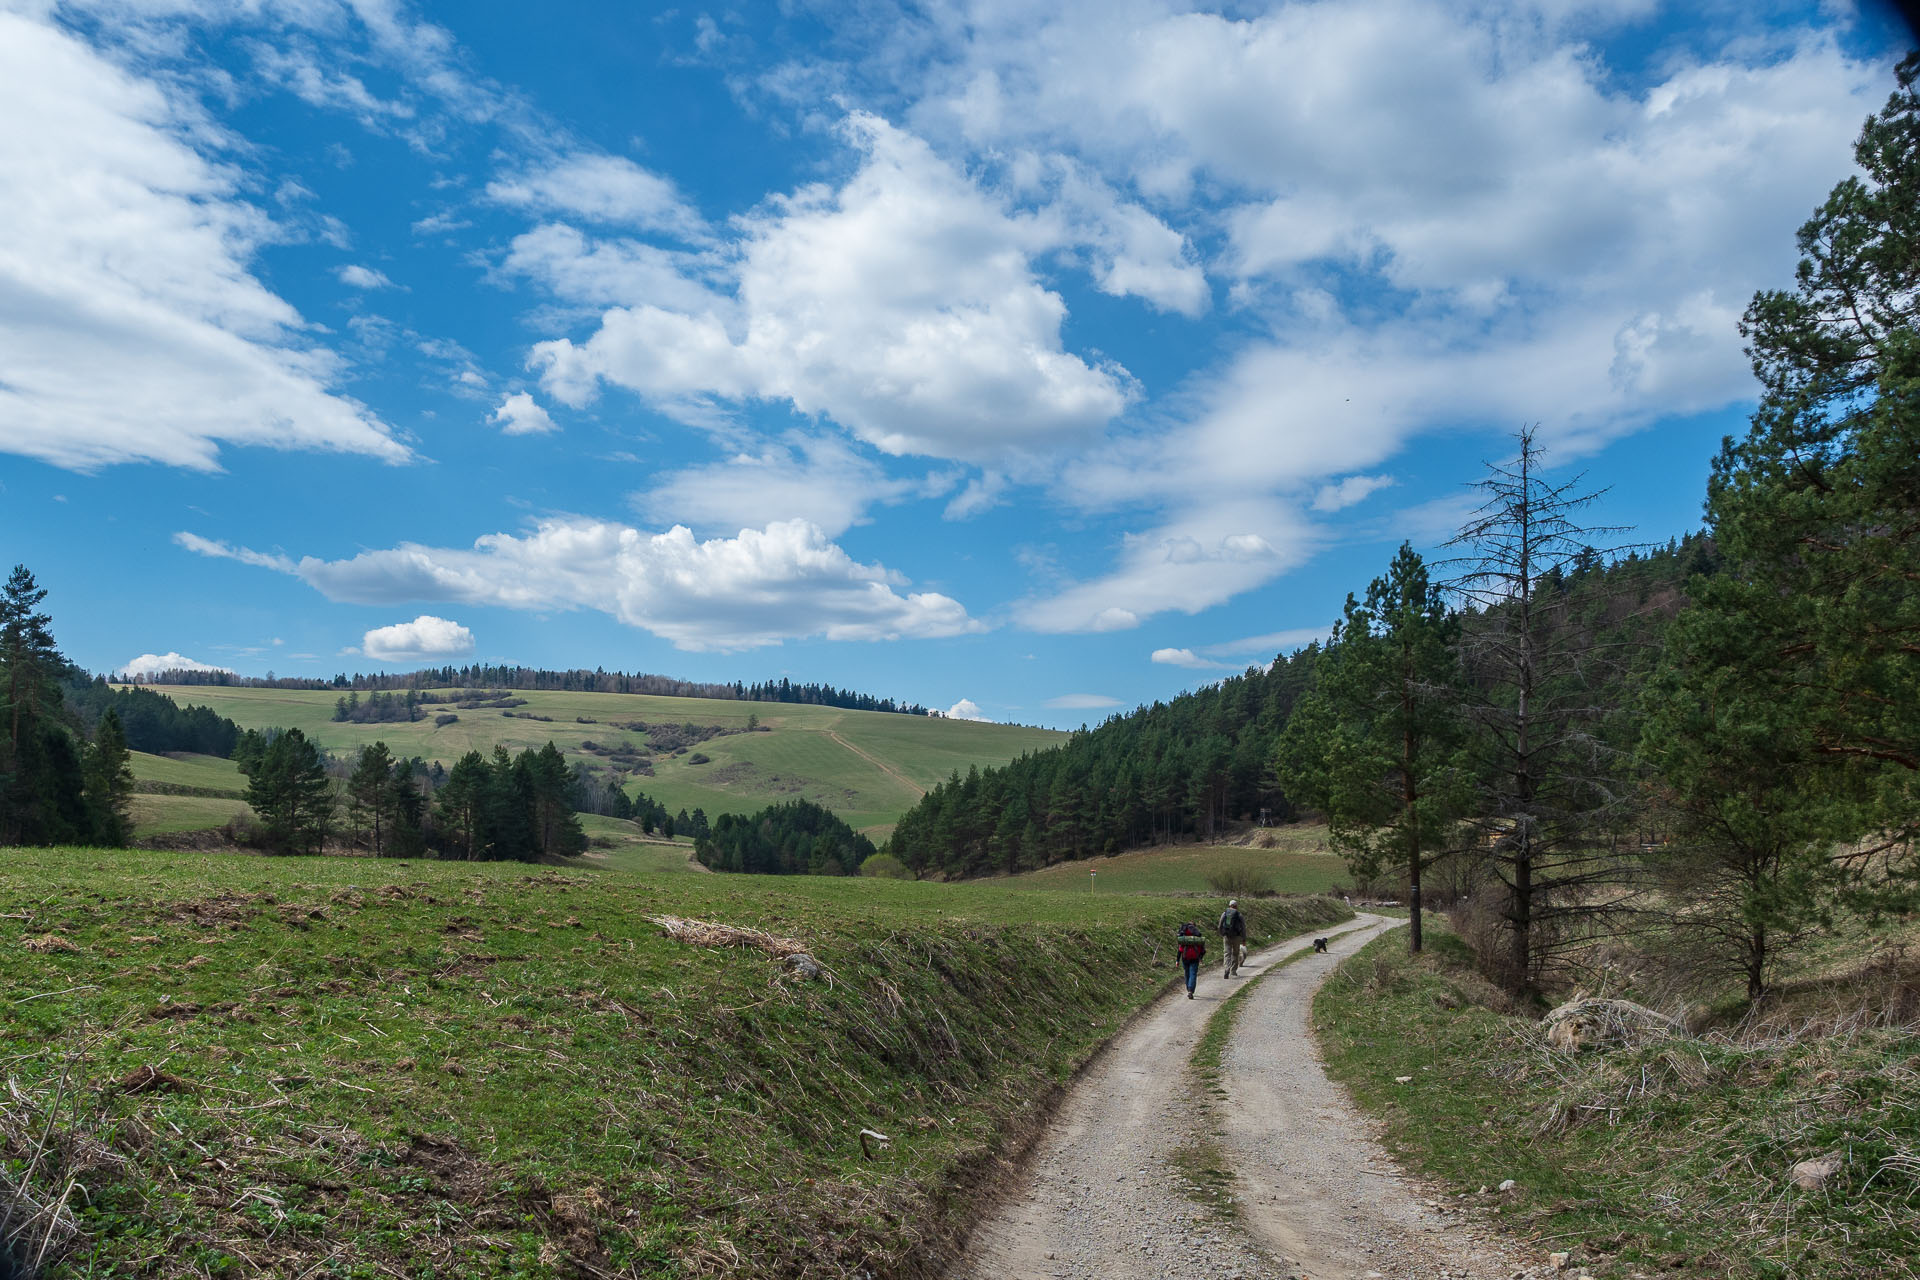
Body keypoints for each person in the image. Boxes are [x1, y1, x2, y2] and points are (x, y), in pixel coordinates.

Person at [1175, 922, 1206, 998]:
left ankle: (1188, 988)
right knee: (1193, 974)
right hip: (1195, 958)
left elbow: (1180, 950)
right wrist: (1200, 958)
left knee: (1187, 973)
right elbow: (1203, 950)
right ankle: (1190, 990)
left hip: (1185, 958)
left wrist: (1177, 960)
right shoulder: (1197, 938)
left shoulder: (1183, 938)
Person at [1218, 898, 1247, 978]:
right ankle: (1233, 971)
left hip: (1226, 936)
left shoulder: (1224, 913)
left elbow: (1220, 925)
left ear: (1229, 905)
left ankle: (1227, 968)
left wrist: (1222, 933)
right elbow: (1243, 928)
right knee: (1235, 953)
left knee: (1227, 953)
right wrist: (1244, 939)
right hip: (1237, 937)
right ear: (1236, 906)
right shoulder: (1239, 914)